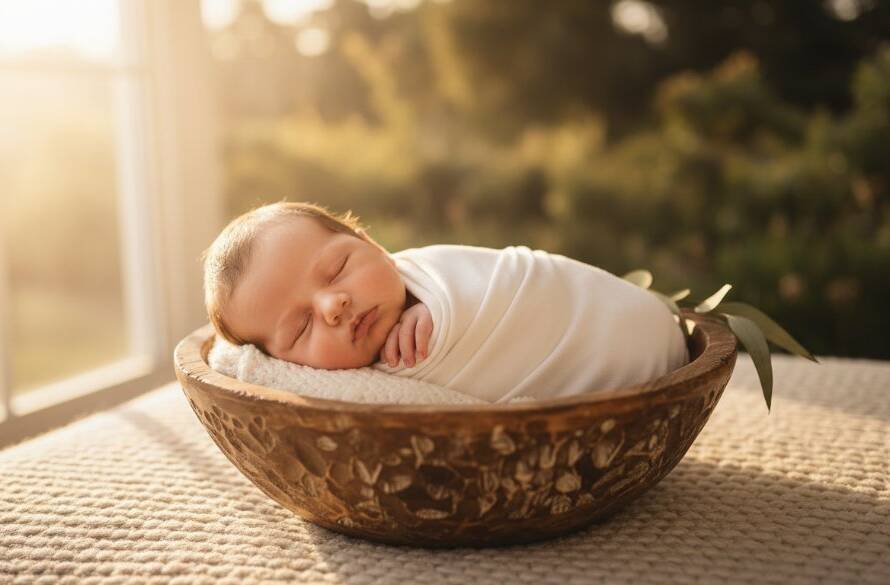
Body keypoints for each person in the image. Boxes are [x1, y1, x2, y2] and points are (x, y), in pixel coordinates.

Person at [203, 201, 689, 403]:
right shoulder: (338, 394)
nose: (333, 305)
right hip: (623, 387)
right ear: (283, 364)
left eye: (337, 268)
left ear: (371, 244)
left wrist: (435, 308)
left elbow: (513, 284)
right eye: (301, 328)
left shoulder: (437, 271)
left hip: (631, 328)